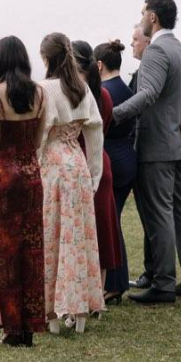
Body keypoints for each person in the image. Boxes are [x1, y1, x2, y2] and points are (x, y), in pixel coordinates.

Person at [113, 0, 181, 303]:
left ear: (152, 17)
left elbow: (148, 94)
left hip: (157, 146)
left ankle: (163, 284)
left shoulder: (156, 51)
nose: (142, 17)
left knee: (160, 214)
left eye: (142, 14)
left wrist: (113, 115)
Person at [0, 36, 46, 347]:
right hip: (32, 175)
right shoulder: (41, 94)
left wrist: (0, 165)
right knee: (32, 251)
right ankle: (31, 326)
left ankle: (12, 329)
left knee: (6, 252)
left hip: (3, 175)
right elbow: (37, 141)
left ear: (0, 62)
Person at [38, 32, 104, 333]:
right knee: (78, 236)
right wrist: (94, 172)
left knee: (52, 236)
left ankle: (51, 310)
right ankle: (79, 310)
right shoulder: (82, 87)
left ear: (46, 58)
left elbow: (40, 134)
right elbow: (95, 131)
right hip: (77, 165)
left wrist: (34, 164)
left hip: (53, 167)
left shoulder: (45, 89)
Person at [73, 40, 123, 300]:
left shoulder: (76, 95)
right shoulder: (103, 95)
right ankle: (98, 296)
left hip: (79, 163)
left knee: (80, 229)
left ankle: (81, 292)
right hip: (101, 162)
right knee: (102, 228)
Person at [94, 39, 136, 300]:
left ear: (99, 65)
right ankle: (116, 282)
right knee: (115, 221)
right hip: (128, 157)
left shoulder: (103, 92)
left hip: (110, 155)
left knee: (110, 224)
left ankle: (114, 283)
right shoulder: (127, 89)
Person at [126, 24, 153, 288]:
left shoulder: (148, 70)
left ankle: (154, 273)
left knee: (151, 214)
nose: (131, 43)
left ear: (147, 42)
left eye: (135, 39)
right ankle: (152, 271)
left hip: (147, 147)